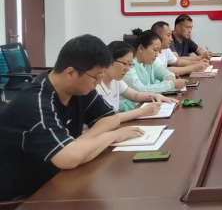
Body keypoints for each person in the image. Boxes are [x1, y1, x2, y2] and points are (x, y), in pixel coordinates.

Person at [0, 35, 144, 201]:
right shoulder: (35, 102)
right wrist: (113, 136)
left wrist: (78, 144)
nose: (98, 83)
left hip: (55, 179)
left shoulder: (79, 89)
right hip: (21, 197)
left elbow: (110, 118)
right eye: (96, 77)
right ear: (71, 73)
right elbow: (69, 158)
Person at [96, 41, 179, 118]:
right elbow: (107, 120)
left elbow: (135, 95)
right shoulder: (95, 87)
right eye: (124, 63)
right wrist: (141, 111)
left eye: (130, 64)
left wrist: (157, 96)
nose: (128, 69)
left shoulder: (115, 81)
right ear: (109, 60)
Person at [122, 31, 186, 111]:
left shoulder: (149, 62)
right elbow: (141, 90)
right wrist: (171, 84)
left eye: (158, 51)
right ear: (141, 48)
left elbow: (165, 72)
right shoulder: (129, 65)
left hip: (145, 105)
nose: (157, 54)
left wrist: (171, 80)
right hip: (130, 109)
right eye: (155, 50)